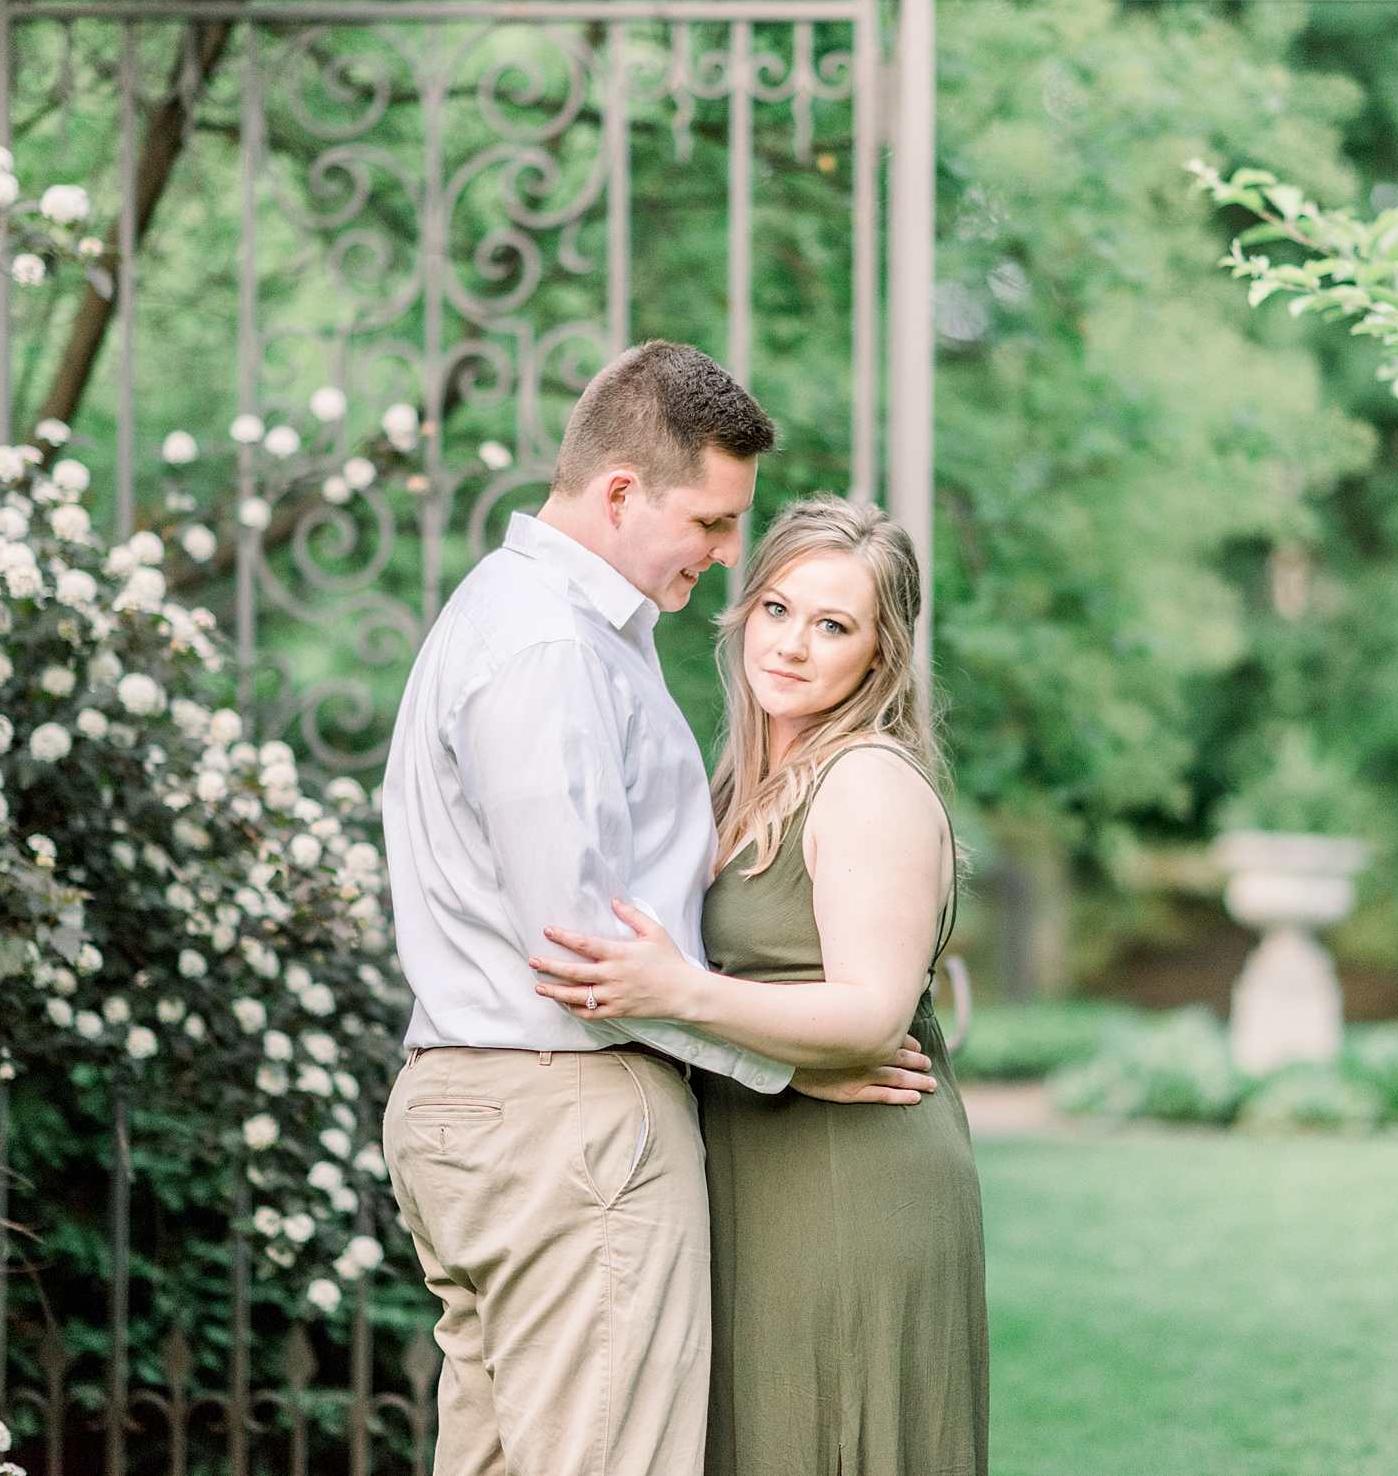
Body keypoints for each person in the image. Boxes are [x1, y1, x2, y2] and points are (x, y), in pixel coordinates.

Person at [378, 344, 936, 1476]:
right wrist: (786, 1065)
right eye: (716, 525)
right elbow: (586, 963)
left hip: (481, 1103)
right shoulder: (550, 650)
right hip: (568, 1124)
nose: (728, 559)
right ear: (623, 491)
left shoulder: (507, 613)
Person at [534, 495, 989, 1476]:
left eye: (833, 626)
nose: (791, 644)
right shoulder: (742, 783)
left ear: (882, 653)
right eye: (778, 608)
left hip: (849, 1183)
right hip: (763, 1162)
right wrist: (769, 1065)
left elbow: (871, 1014)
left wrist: (675, 991)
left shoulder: (865, 782)